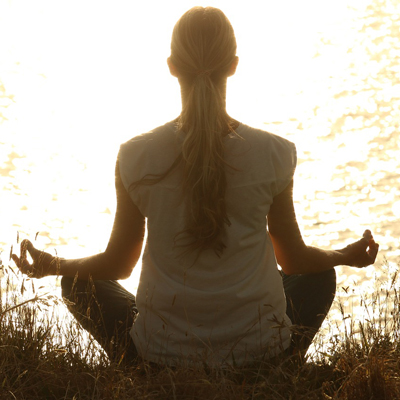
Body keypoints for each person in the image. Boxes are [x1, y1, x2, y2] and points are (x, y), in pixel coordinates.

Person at [12, 7, 379, 366]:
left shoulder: (135, 155)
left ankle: (141, 366)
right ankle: (276, 362)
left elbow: (118, 264)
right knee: (318, 274)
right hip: (259, 351)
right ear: (234, 65)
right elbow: (294, 259)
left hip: (161, 355)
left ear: (171, 66)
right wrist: (343, 256)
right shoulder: (275, 152)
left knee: (78, 283)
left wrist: (52, 264)